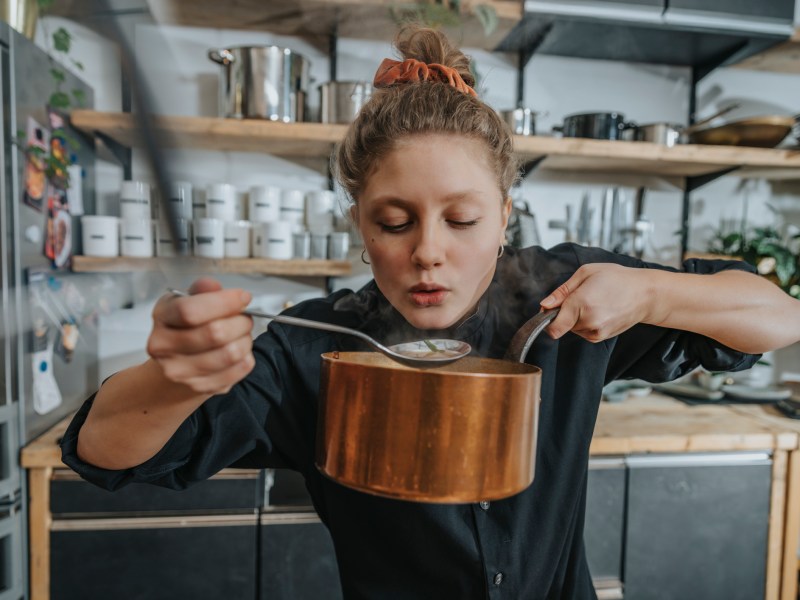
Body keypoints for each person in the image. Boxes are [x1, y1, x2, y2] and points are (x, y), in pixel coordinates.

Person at [62, 26, 800, 599]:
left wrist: (655, 292)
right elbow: (102, 451)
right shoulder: (313, 346)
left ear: (505, 214)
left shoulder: (563, 299)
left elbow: (779, 318)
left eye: (462, 219)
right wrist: (180, 378)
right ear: (358, 223)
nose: (428, 253)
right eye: (394, 221)